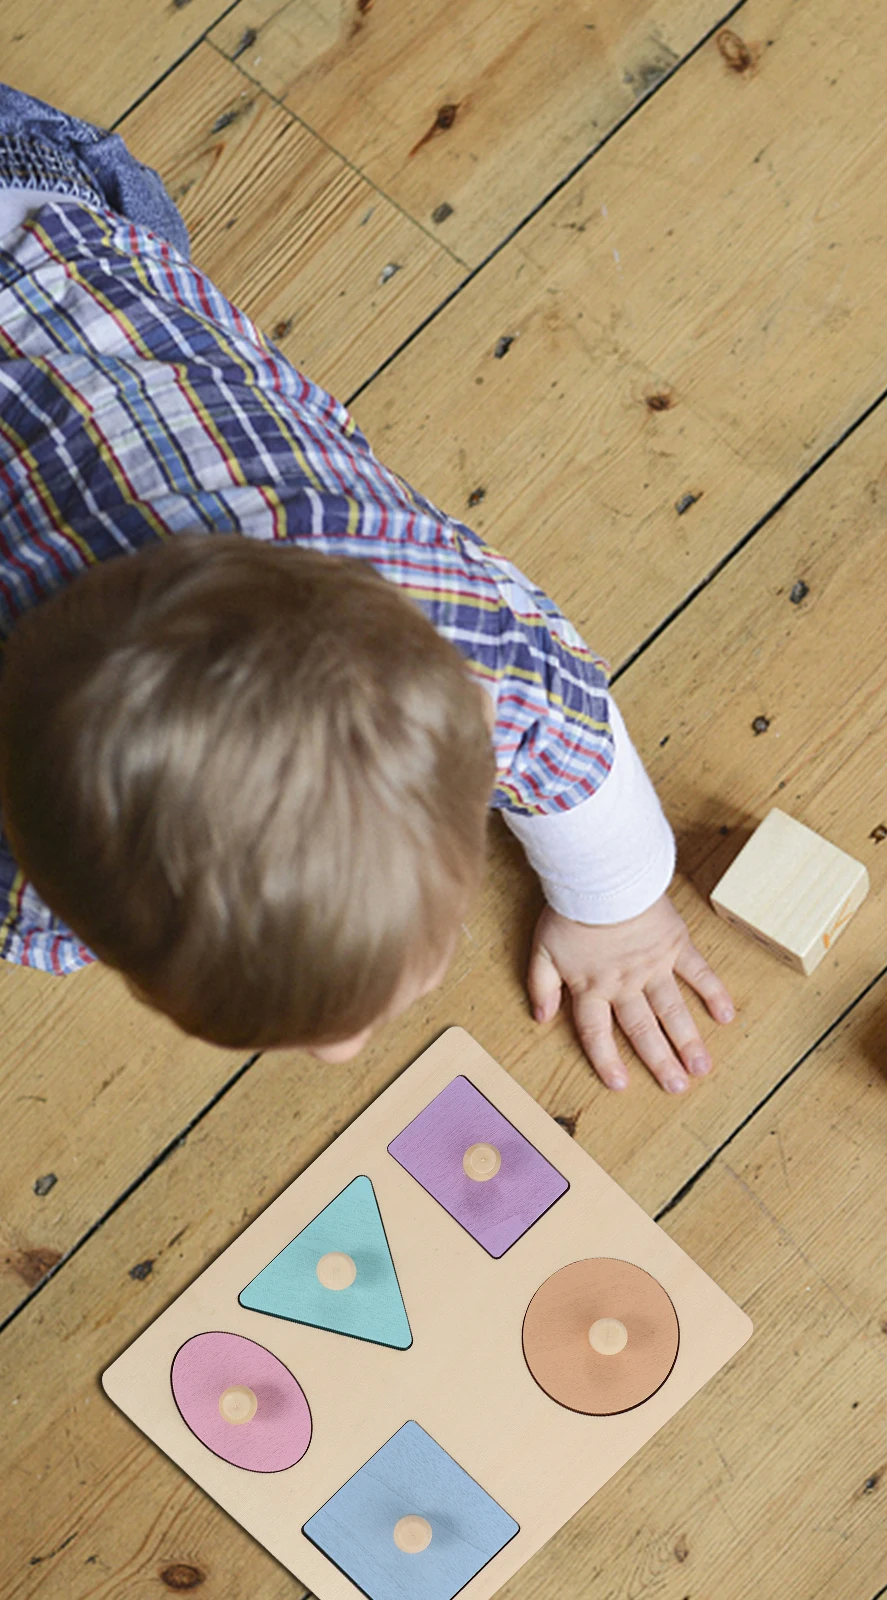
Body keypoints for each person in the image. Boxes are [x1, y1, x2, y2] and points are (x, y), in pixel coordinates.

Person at [0, 82, 734, 1092]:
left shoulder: (463, 627)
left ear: (478, 708)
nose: (344, 1051)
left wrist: (620, 908)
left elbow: (572, 737)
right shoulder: (22, 872)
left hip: (49, 217)